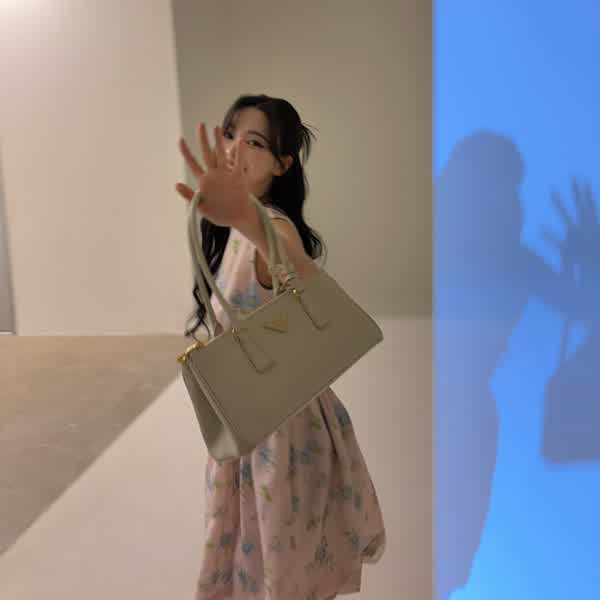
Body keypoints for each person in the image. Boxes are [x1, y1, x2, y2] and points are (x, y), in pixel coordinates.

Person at [175, 94, 386, 600]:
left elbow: (294, 264)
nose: (234, 149)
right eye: (230, 135)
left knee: (281, 567)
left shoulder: (271, 226)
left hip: (283, 435)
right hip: (250, 426)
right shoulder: (232, 234)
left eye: (254, 142)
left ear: (281, 163)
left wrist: (248, 218)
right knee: (258, 562)